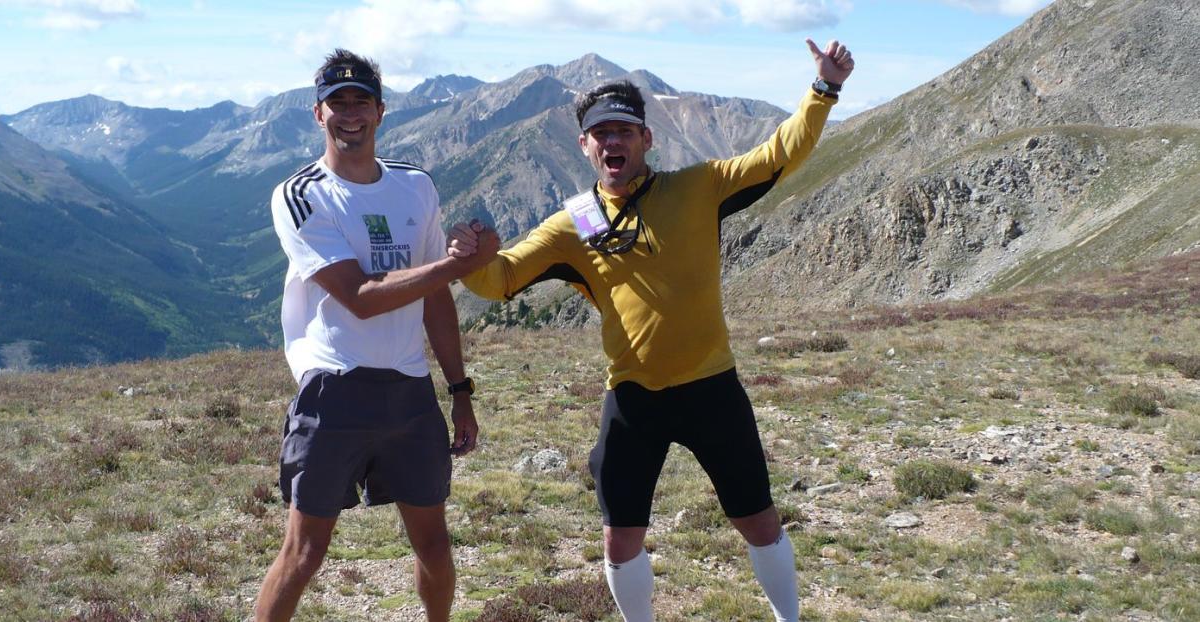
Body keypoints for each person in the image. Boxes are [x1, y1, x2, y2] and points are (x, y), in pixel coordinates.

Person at [449, 39, 854, 622]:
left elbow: (777, 155)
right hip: (633, 398)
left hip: (712, 388)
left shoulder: (699, 186)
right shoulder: (574, 223)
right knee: (619, 538)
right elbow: (502, 280)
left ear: (647, 139)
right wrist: (472, 259)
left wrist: (823, 90)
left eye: (625, 130)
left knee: (758, 520)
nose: (613, 141)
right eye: (601, 133)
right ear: (585, 144)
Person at [256, 48, 499, 622]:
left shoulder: (416, 187)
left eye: (360, 101)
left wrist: (460, 391)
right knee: (304, 552)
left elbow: (434, 299)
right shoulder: (301, 195)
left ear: (381, 110)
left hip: (410, 392)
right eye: (337, 103)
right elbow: (360, 299)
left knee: (435, 547)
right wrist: (454, 264)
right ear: (318, 114)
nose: (350, 114)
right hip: (333, 390)